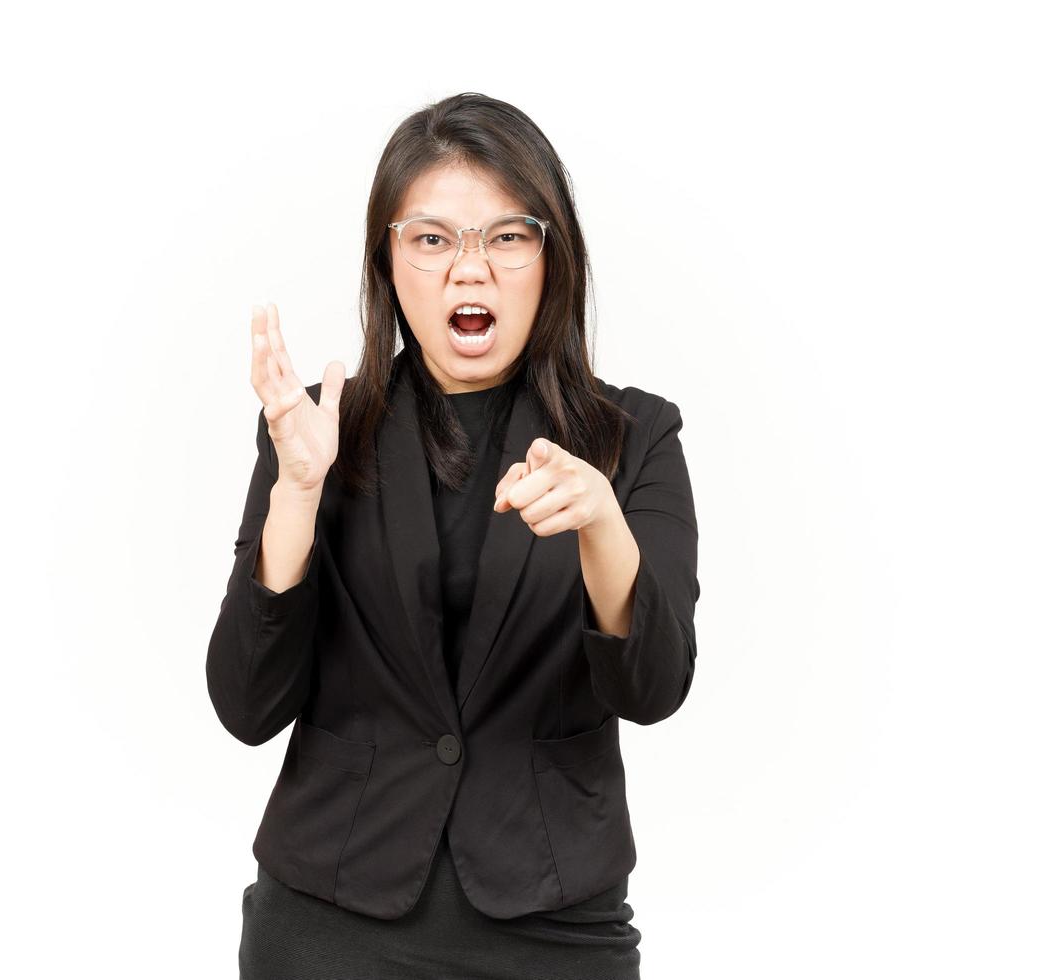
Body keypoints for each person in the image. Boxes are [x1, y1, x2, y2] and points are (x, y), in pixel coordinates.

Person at [207, 92, 700, 980]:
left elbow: (656, 688)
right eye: (431, 239)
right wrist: (296, 496)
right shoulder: (320, 431)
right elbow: (246, 706)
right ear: (388, 262)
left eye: (506, 237)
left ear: (553, 259)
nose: (468, 270)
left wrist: (600, 527)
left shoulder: (634, 438)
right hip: (328, 925)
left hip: (555, 929)